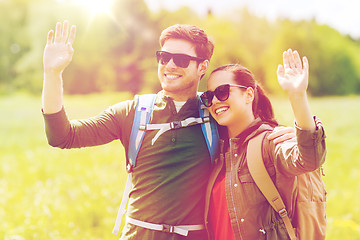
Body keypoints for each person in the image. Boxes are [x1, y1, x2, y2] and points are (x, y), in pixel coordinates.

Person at [42, 21, 295, 240]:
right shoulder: (132, 112)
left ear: (202, 67)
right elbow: (62, 136)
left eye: (182, 59)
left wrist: (292, 133)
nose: (169, 64)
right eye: (163, 57)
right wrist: (52, 74)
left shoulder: (215, 112)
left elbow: (253, 132)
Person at [200, 49, 326, 239]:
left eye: (222, 91)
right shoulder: (216, 152)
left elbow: (308, 159)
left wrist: (297, 96)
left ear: (248, 95)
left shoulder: (270, 142)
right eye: (208, 97)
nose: (215, 101)